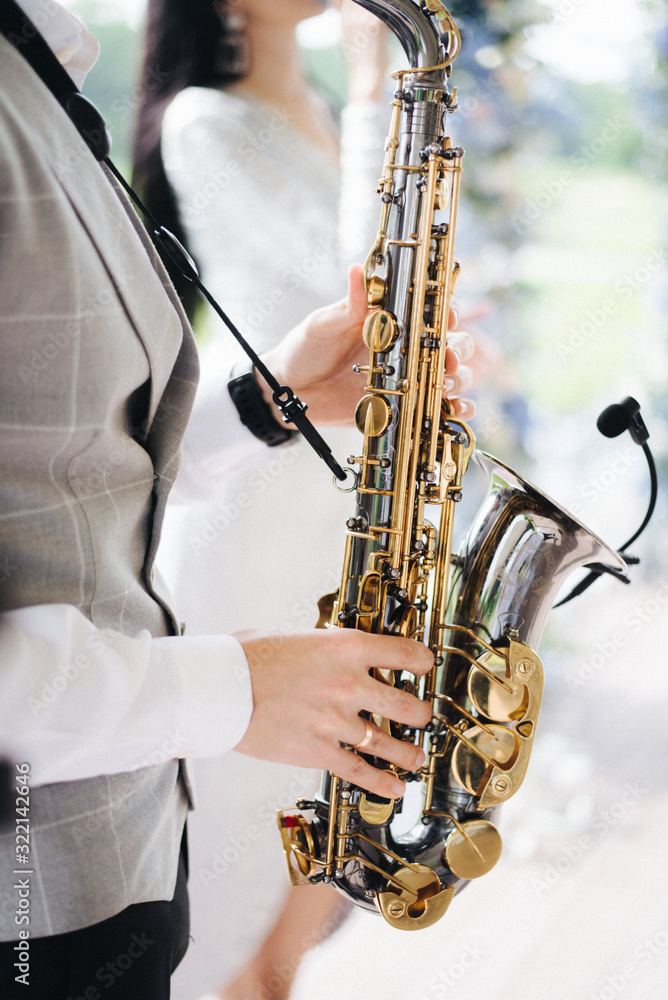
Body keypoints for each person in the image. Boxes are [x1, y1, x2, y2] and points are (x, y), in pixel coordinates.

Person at [0, 2, 473, 999]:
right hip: (30, 902)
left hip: (128, 842)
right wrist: (230, 691)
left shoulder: (38, 72)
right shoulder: (185, 115)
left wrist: (263, 405)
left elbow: (75, 445)